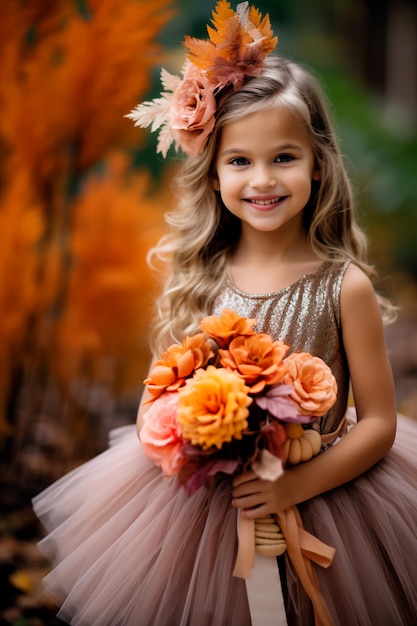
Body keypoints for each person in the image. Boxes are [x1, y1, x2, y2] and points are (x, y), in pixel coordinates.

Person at [33, 2, 417, 625]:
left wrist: (290, 487)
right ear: (211, 175)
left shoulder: (343, 287)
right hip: (209, 504)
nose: (262, 179)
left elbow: (378, 424)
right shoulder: (202, 282)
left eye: (284, 157)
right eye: (240, 161)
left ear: (319, 165)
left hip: (322, 491)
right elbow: (156, 402)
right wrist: (189, 438)